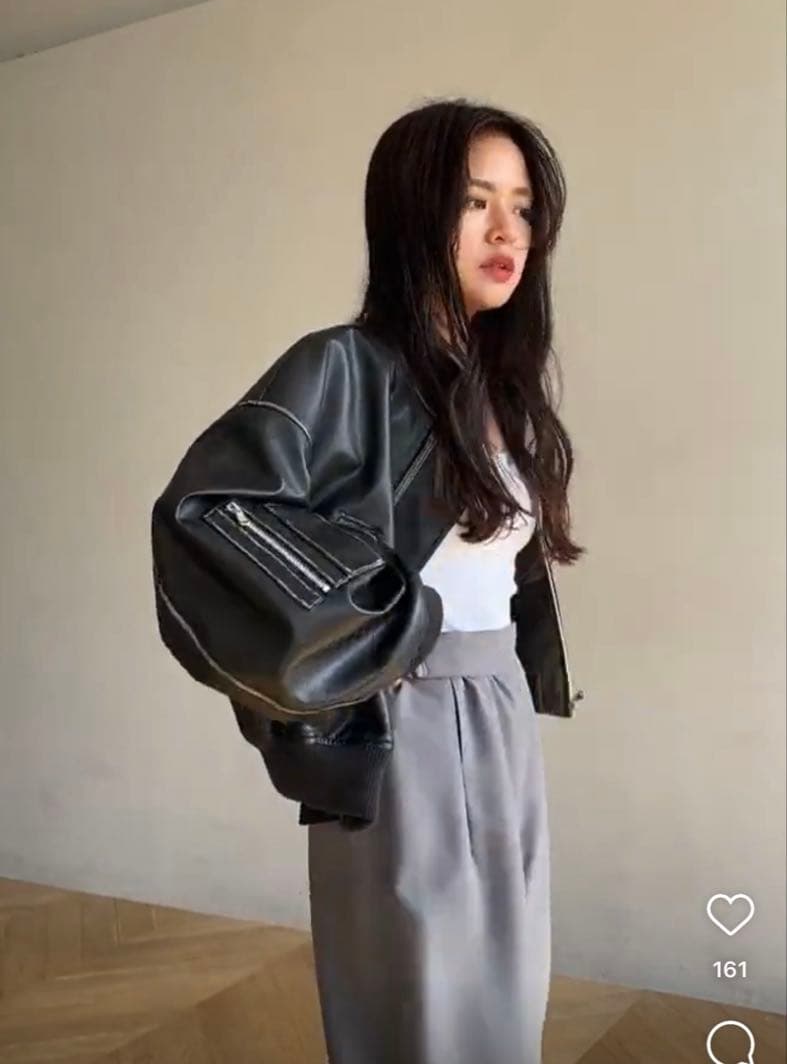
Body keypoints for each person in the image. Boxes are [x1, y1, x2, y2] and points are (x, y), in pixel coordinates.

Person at [305, 98, 587, 1064]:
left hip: (498, 707)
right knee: (421, 997)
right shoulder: (347, 368)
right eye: (474, 202)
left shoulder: (493, 384)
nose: (507, 231)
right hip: (406, 721)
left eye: (522, 205)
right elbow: (210, 514)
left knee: (503, 988)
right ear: (412, 213)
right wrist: (333, 667)